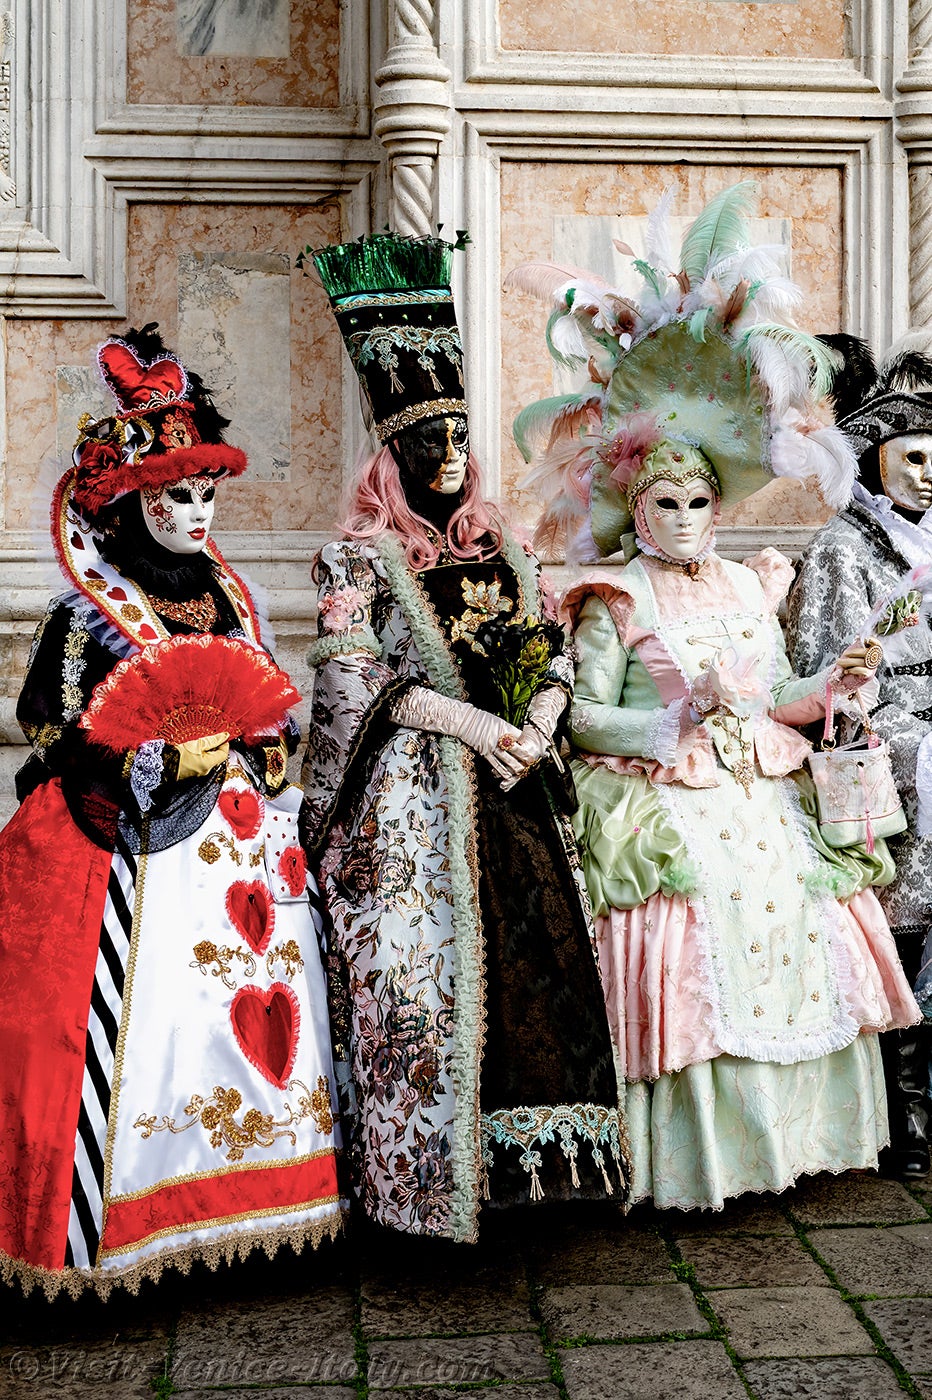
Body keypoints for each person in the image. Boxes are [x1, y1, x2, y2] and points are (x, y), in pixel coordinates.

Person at [510, 183, 921, 1211]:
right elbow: (583, 719)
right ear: (634, 505)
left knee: (802, 903)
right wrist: (668, 720)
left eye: (700, 501)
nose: (688, 518)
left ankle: (801, 1140)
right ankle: (706, 1153)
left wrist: (834, 683)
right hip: (666, 795)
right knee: (695, 911)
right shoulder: (614, 596)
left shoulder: (749, 583)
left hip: (762, 790)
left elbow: (776, 691)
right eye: (667, 502)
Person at [0, 326, 341, 1297]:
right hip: (131, 844)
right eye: (173, 496)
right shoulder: (87, 613)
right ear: (128, 502)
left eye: (205, 496)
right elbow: (51, 724)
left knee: (248, 1002)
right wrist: (149, 754)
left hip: (241, 843)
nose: (194, 514)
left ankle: (255, 1203)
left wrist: (260, 746)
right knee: (153, 1018)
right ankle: (135, 1219)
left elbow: (267, 706)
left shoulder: (231, 601)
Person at [300, 231, 628, 1241]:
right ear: (391, 457)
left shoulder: (506, 545)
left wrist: (537, 722)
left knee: (543, 962)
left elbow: (550, 644)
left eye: (458, 439)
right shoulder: (356, 563)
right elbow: (356, 686)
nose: (448, 458)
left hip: (517, 790)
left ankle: (552, 1174)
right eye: (426, 443)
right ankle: (442, 1182)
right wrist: (477, 725)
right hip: (421, 800)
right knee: (431, 976)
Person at [787, 338, 932, 1177]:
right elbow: (821, 671)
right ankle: (905, 1103)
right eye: (913, 457)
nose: (929, 475)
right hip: (887, 732)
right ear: (875, 458)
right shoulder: (843, 549)